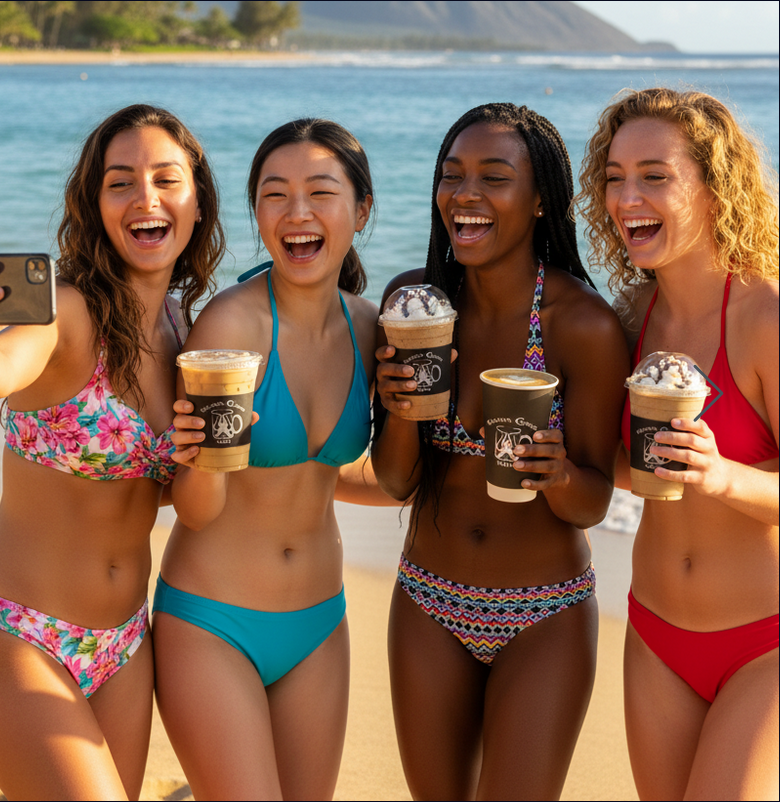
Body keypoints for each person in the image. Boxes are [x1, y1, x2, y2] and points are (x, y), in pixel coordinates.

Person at [371, 102, 629, 800]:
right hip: (427, 600)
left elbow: (593, 500)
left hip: (544, 612)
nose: (466, 195)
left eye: (494, 176)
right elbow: (398, 479)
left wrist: (558, 473)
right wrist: (397, 412)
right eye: (452, 176)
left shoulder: (584, 327)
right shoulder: (414, 304)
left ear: (541, 199)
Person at [152, 118, 385, 800]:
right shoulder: (230, 329)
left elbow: (336, 473)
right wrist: (198, 456)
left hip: (320, 624)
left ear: (362, 209)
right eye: (274, 195)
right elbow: (196, 510)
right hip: (213, 621)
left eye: (320, 191)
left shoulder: (368, 327)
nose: (297, 213)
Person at [0, 104, 223, 800]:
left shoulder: (193, 336)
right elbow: (11, 350)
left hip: (126, 647)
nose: (145, 198)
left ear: (195, 202)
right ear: (95, 206)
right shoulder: (63, 310)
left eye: (166, 179)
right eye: (120, 182)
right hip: (23, 633)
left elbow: (200, 503)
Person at [578, 87, 779, 800]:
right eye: (614, 177)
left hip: (766, 643)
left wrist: (722, 476)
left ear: (714, 184)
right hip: (657, 633)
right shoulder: (634, 315)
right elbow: (637, 473)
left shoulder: (767, 318)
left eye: (655, 176)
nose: (627, 197)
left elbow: (718, 478)